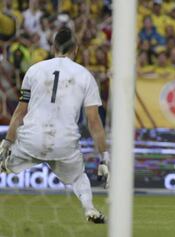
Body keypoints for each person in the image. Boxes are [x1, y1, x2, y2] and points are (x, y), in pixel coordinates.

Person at [0, 27, 109, 224]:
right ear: (75, 49)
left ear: (53, 47)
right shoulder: (85, 76)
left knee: (2, 164)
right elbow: (94, 121)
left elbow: (19, 112)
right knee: (78, 178)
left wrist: (7, 143)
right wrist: (104, 157)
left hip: (31, 139)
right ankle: (90, 208)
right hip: (64, 143)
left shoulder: (34, 70)